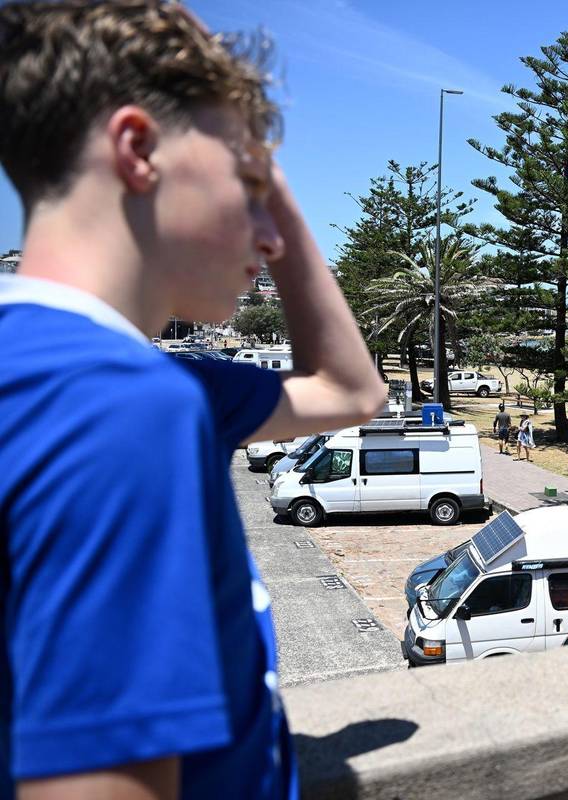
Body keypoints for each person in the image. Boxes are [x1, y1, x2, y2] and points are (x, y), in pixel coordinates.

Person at [0, 3, 387, 797]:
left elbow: (352, 391)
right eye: (249, 184)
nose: (271, 233)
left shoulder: (76, 377)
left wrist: (250, 157)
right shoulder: (124, 407)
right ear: (138, 149)